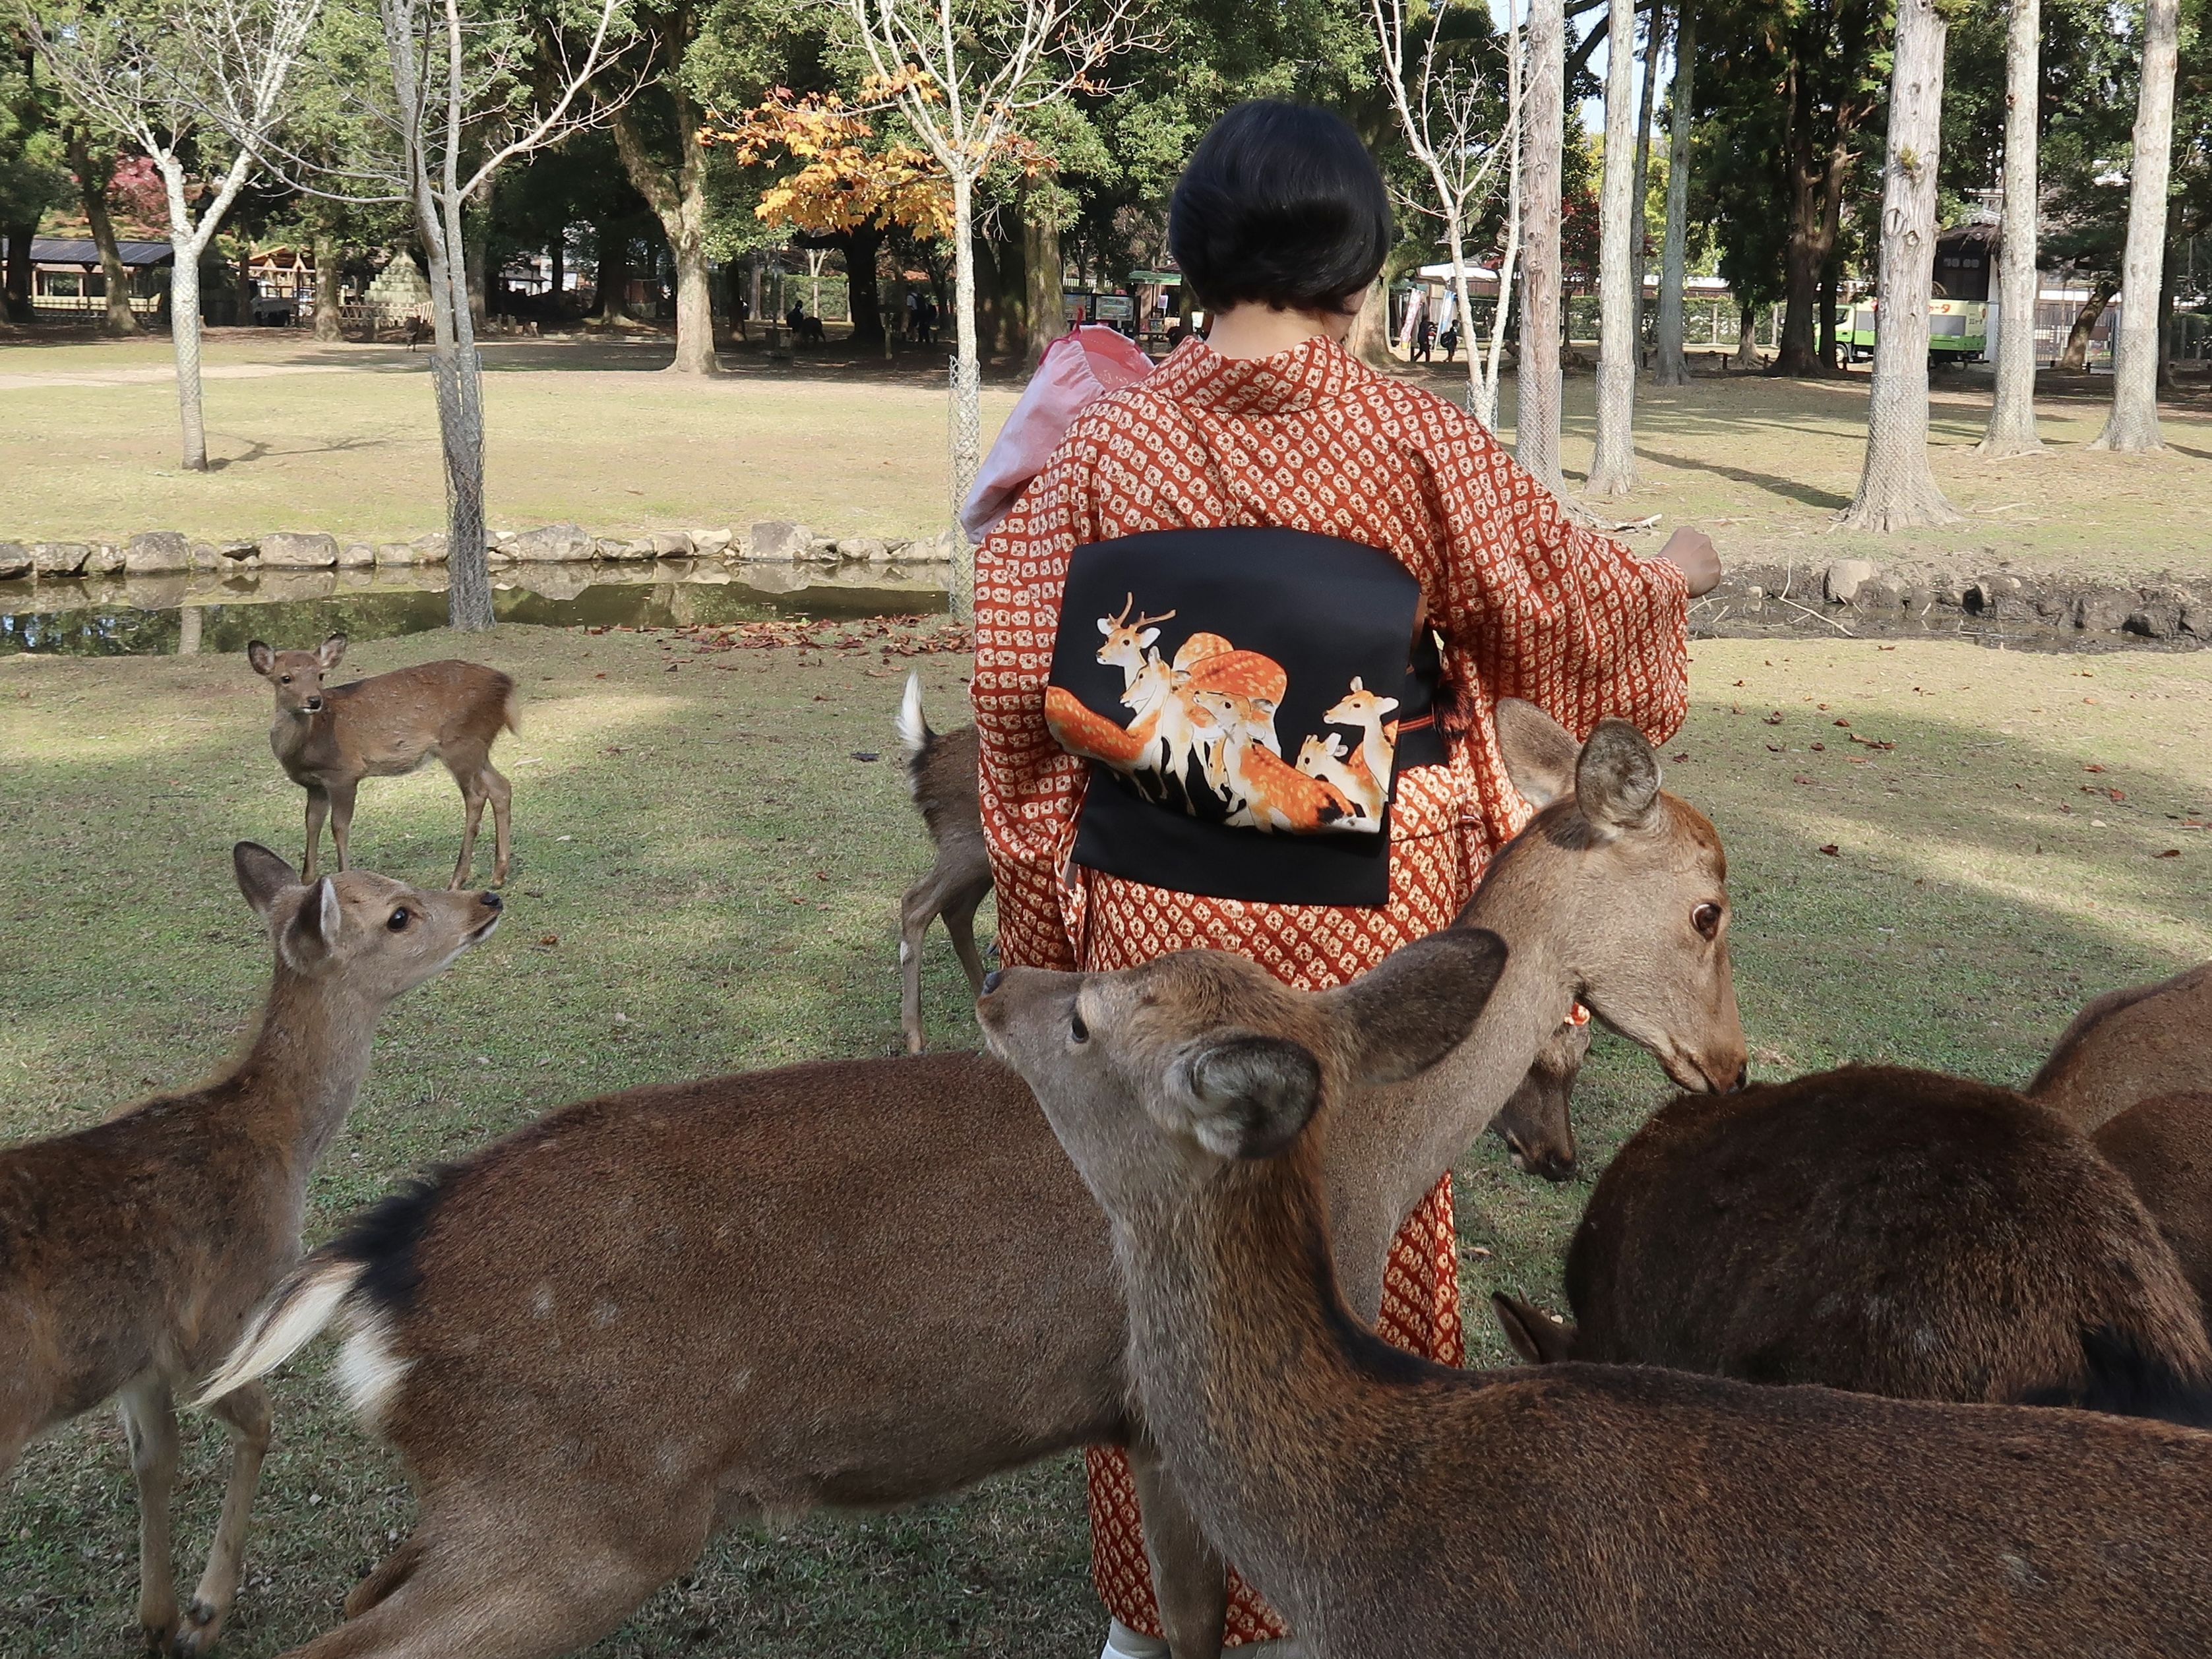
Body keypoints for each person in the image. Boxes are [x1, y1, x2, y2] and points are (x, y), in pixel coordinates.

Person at [971, 100, 1718, 1659]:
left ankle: (1152, 1612)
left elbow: (1015, 697)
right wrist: (1677, 581)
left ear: (1188, 261)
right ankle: (1349, 1583)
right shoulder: (1415, 439)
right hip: (1355, 927)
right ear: (1363, 275)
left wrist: (1054, 926)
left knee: (1171, 1237)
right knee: (1359, 1212)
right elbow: (1566, 621)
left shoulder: (1102, 445)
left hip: (1157, 920)